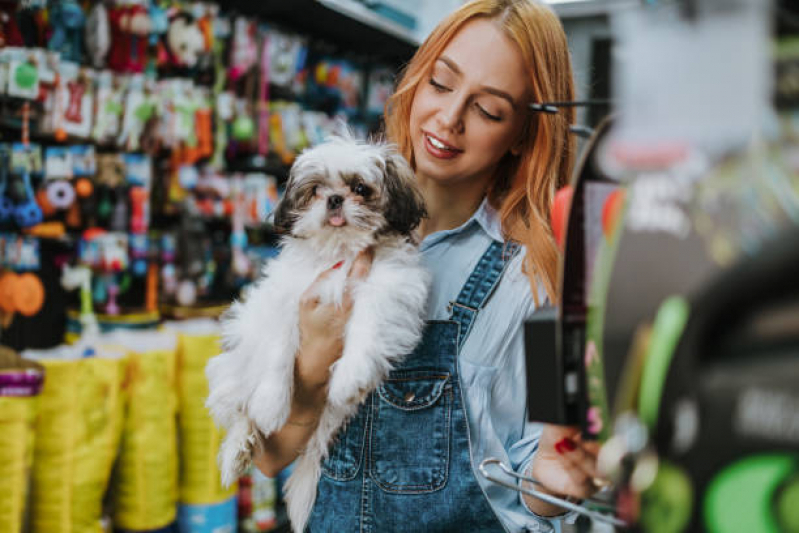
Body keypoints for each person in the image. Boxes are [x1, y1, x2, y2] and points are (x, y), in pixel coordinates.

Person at [253, 0, 602, 530]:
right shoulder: (328, 234)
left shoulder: (533, 279)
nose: (449, 119)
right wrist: (312, 367)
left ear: (522, 137)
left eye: (488, 110)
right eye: (441, 83)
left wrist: (551, 486)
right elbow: (268, 455)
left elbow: (540, 478)